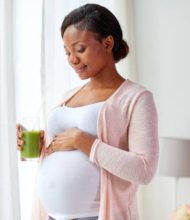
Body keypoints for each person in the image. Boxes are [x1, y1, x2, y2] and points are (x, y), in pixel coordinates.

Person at [16, 3, 159, 220]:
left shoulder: (136, 98)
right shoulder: (69, 95)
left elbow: (144, 170)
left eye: (80, 49)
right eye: (67, 52)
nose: (72, 60)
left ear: (108, 42)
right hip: (51, 216)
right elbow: (65, 147)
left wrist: (84, 141)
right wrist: (41, 147)